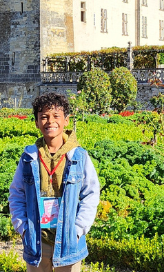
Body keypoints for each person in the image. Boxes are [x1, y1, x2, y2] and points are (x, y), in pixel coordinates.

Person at [8, 92, 100, 272]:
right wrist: (24, 228)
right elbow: (16, 193)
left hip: (69, 243)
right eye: (44, 117)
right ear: (36, 122)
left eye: (56, 116)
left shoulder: (79, 156)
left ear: (66, 120)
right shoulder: (29, 158)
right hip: (37, 242)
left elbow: (91, 193)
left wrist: (78, 229)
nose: (50, 121)